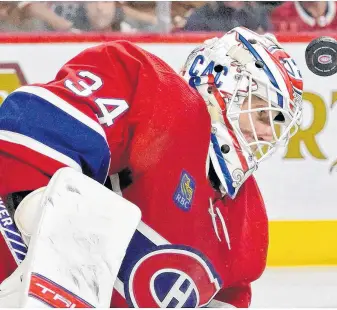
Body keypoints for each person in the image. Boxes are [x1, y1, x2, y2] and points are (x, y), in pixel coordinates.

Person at [0, 27, 303, 307]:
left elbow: (230, 296)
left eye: (277, 125)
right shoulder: (154, 92)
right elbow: (33, 127)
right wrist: (35, 212)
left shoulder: (247, 224)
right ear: (223, 82)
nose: (268, 135)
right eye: (264, 115)